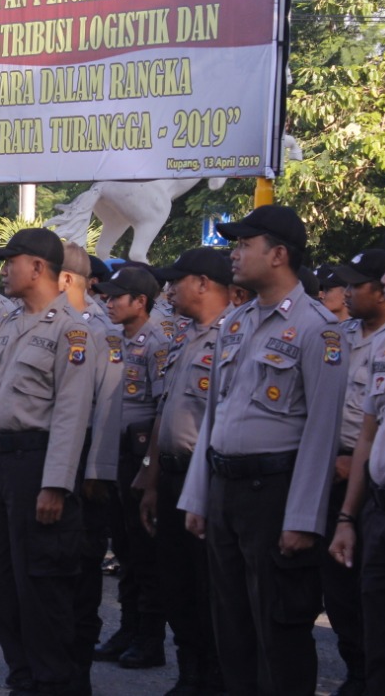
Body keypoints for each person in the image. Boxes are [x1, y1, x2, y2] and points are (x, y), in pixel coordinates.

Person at [179, 205, 348, 696]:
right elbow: (215, 413)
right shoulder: (236, 322)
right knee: (231, 628)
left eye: (243, 245)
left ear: (277, 255)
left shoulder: (320, 329)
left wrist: (303, 518)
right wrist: (197, 496)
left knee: (278, 629)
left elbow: (322, 431)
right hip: (226, 490)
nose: (233, 254)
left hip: (274, 493)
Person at [0, 228, 96, 696]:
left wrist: (56, 485)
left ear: (37, 267)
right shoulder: (12, 324)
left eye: (11, 260)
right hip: (0, 465)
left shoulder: (72, 331)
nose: (3, 269)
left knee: (42, 589)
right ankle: (24, 676)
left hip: (38, 467)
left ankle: (53, 682)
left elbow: (72, 416)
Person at [136, 248, 233, 695]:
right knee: (175, 582)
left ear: (203, 284)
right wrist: (152, 480)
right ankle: (190, 671)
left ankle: (215, 674)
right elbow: (164, 413)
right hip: (172, 475)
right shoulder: (183, 337)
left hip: (207, 478)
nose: (170, 288)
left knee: (208, 585)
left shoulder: (234, 335)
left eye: (178, 280)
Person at [319, 250, 385, 696]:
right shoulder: (340, 334)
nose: (347, 291)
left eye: (357, 283)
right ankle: (358, 672)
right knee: (346, 591)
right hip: (337, 473)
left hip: (371, 476)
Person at [92, 266, 170, 668]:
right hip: (113, 453)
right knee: (122, 546)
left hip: (139, 455)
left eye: (117, 297)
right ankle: (129, 626)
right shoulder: (111, 339)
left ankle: (149, 637)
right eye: (106, 296)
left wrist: (148, 467)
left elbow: (162, 409)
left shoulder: (157, 342)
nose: (109, 302)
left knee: (144, 550)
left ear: (141, 301)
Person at [58, 242, 123, 696]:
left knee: (79, 570)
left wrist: (98, 471)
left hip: (84, 464)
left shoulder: (101, 329)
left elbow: (110, 405)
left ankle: (75, 672)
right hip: (50, 460)